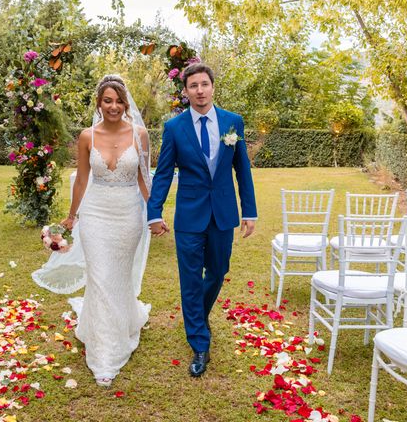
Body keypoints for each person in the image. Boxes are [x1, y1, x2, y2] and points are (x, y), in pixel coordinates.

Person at [147, 63, 257, 377]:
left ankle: (197, 315)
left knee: (219, 269)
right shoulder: (174, 128)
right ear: (185, 91)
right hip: (189, 216)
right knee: (191, 278)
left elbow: (242, 170)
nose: (199, 90)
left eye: (204, 84)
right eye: (193, 85)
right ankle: (199, 343)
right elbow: (164, 173)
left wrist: (248, 210)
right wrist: (154, 212)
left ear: (212, 87)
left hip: (223, 213)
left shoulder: (232, 123)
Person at [56, 75, 151, 387]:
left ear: (126, 103)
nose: (113, 106)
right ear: (99, 103)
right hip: (95, 214)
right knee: (98, 276)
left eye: (118, 101)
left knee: (118, 277)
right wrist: (72, 217)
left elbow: (144, 179)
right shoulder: (87, 136)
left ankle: (121, 323)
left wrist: (156, 214)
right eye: (107, 100)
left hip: (128, 215)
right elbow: (82, 180)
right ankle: (104, 355)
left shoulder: (140, 134)